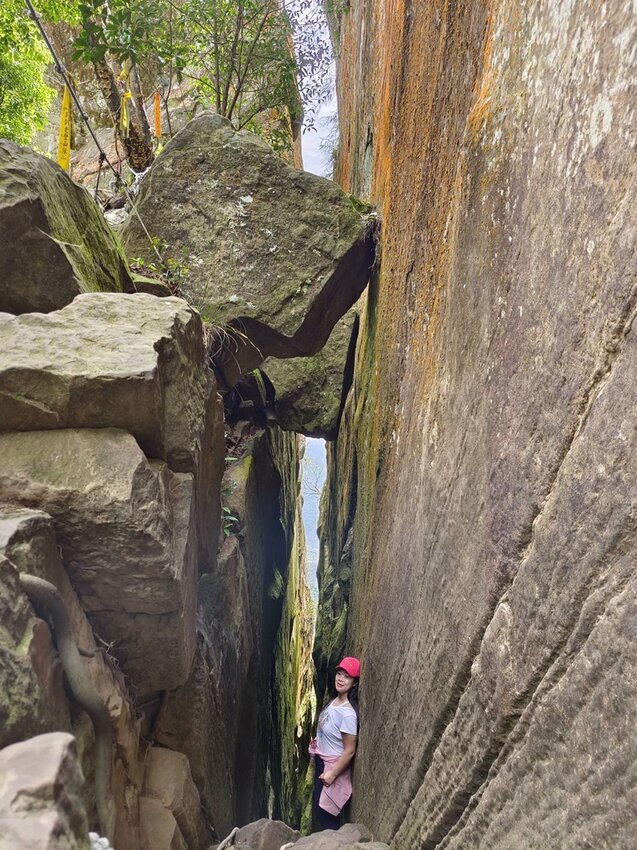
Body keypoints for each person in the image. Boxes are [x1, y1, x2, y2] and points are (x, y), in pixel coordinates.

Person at [309, 656, 360, 831]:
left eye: (347, 676)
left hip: (332, 768)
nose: (340, 678)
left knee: (327, 816)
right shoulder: (333, 701)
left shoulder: (348, 714)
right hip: (322, 763)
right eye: (339, 673)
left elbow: (350, 751)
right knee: (319, 810)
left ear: (354, 683)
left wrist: (332, 774)